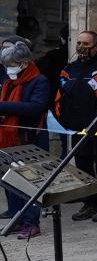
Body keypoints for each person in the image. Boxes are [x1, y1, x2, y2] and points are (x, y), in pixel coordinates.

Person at [54, 30, 97, 222]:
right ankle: (89, 204)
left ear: (96, 46)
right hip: (77, 129)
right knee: (82, 167)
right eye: (79, 43)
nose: (81, 48)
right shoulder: (69, 69)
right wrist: (65, 121)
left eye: (86, 44)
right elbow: (59, 97)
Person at [0, 40, 49, 239]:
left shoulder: (39, 81)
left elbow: (36, 107)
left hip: (30, 139)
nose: (7, 69)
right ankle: (17, 218)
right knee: (11, 182)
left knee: (31, 183)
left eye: (10, 64)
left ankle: (31, 223)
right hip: (9, 139)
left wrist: (2, 107)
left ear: (24, 63)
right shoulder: (10, 82)